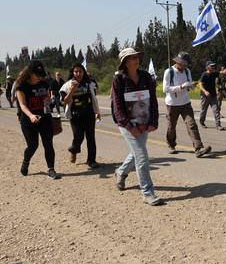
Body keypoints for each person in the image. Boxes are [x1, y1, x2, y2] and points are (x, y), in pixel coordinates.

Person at [111, 48, 163, 206]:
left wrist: (154, 120)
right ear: (125, 62)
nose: (136, 59)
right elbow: (117, 106)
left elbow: (152, 99)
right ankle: (148, 193)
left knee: (136, 153)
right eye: (132, 57)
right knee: (142, 157)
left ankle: (120, 172)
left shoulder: (146, 77)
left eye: (137, 57)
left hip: (144, 121)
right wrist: (128, 125)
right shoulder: (119, 79)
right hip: (127, 124)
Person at [16, 60, 60, 179]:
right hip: (28, 120)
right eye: (37, 75)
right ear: (30, 73)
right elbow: (22, 105)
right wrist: (31, 116)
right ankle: (26, 162)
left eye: (41, 75)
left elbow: (46, 98)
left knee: (48, 144)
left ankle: (51, 169)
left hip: (44, 118)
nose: (40, 77)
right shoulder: (21, 86)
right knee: (33, 145)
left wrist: (48, 101)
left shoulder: (44, 83)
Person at [163, 52, 212, 157]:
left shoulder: (187, 71)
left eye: (186, 64)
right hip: (172, 104)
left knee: (192, 124)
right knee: (171, 127)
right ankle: (171, 145)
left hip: (185, 102)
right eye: (183, 63)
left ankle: (198, 148)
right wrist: (180, 87)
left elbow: (188, 85)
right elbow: (165, 89)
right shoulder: (169, 72)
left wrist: (191, 86)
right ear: (178, 62)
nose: (185, 66)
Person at [60, 63, 101, 168]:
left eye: (80, 71)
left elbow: (93, 99)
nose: (78, 73)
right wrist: (73, 89)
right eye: (76, 71)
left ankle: (91, 160)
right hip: (75, 115)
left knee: (91, 138)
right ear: (72, 73)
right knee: (78, 136)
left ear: (83, 72)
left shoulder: (89, 84)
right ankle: (74, 149)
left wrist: (97, 112)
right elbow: (65, 101)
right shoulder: (67, 85)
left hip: (89, 114)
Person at [199, 59, 226, 130]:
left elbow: (224, 72)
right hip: (205, 96)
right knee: (203, 111)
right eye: (212, 66)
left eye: (214, 65)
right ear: (208, 67)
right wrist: (205, 91)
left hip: (213, 95)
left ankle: (218, 125)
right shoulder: (204, 74)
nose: (213, 67)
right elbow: (200, 84)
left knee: (216, 110)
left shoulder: (214, 73)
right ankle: (202, 122)